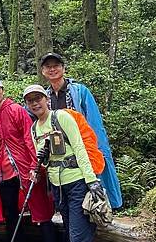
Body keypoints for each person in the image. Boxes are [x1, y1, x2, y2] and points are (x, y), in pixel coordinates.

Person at [24, 84, 102, 242]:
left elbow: (79, 148)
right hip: (58, 188)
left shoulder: (63, 117)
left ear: (46, 99)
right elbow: (48, 162)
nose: (35, 103)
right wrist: (41, 164)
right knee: (75, 239)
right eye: (30, 100)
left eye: (38, 98)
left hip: (78, 183)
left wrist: (92, 182)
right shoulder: (34, 129)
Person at [0, 77, 56, 242]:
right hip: (3, 170)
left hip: (24, 166)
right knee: (10, 212)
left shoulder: (17, 110)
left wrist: (35, 166)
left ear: (3, 90)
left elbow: (28, 138)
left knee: (40, 208)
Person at [40, 52, 122, 209]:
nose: (52, 69)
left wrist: (98, 147)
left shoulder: (79, 91)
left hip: (83, 142)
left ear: (63, 68)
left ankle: (103, 207)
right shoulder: (45, 96)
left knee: (96, 174)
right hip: (61, 150)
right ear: (43, 71)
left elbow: (94, 121)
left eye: (56, 66)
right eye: (48, 67)